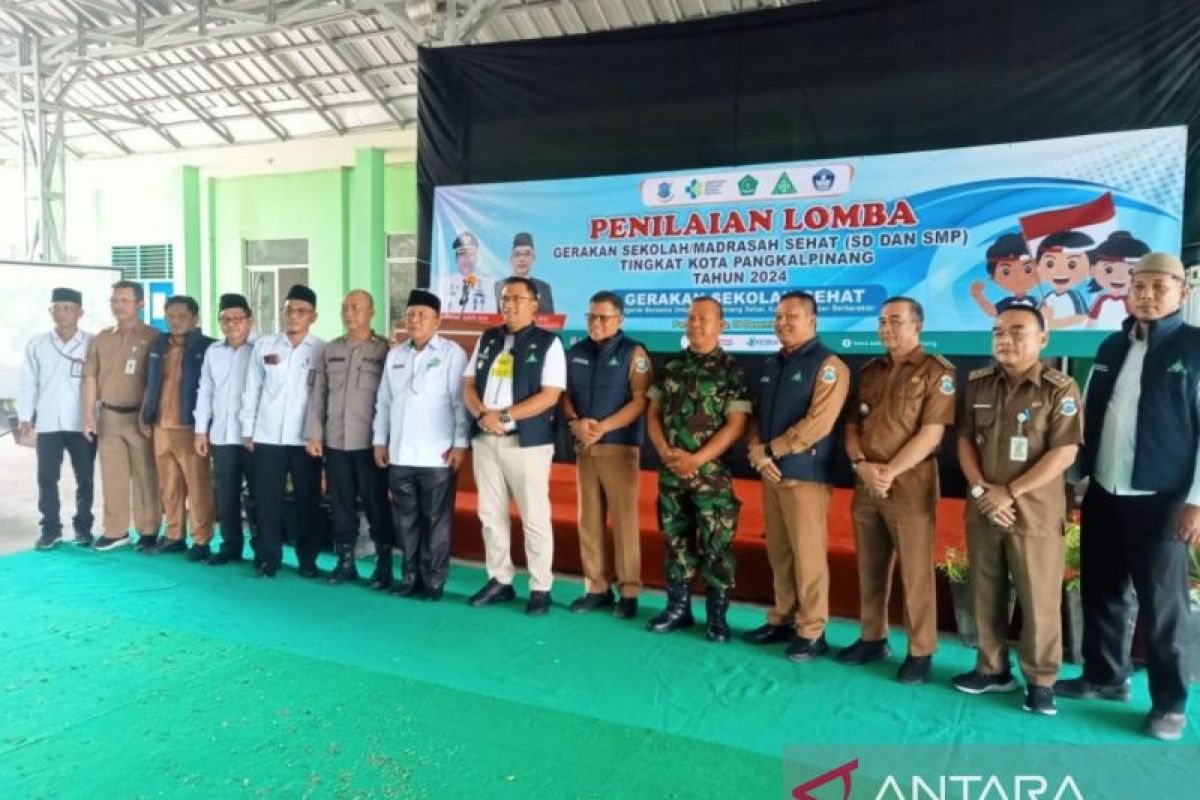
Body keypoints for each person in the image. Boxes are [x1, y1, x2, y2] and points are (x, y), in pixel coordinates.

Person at [1056, 252, 1200, 741]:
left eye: (1160, 286)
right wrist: (1079, 477)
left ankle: (1170, 703)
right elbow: (1093, 414)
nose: (1147, 294)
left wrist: (1196, 500)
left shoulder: (1195, 347)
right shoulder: (1112, 345)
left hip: (1162, 498)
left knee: (1163, 606)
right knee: (1102, 588)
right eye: (1140, 285)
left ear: (1182, 293)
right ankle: (1105, 677)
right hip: (1104, 487)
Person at [953, 300, 1082, 717]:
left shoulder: (1059, 388)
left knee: (1038, 598)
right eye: (998, 332)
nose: (1005, 339)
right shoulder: (978, 383)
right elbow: (964, 441)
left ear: (1042, 339)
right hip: (985, 507)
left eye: (1017, 331)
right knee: (986, 591)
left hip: (1034, 513)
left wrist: (1009, 492)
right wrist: (981, 491)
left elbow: (1063, 453)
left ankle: (1041, 681)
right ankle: (991, 669)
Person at [835, 297, 956, 683]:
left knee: (916, 572)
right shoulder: (870, 370)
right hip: (866, 481)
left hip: (911, 483)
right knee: (869, 565)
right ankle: (873, 636)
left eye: (896, 321)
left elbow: (932, 432)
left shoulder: (938, 371)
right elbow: (852, 425)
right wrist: (861, 466)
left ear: (917, 325)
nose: (887, 328)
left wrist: (889, 471)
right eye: (883, 321)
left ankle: (920, 650)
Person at [743, 292, 850, 660]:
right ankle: (783, 617)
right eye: (778, 317)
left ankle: (812, 630)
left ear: (812, 320)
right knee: (780, 551)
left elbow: (819, 423)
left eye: (791, 316)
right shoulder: (772, 364)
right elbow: (755, 414)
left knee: (808, 556)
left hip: (805, 475)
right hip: (770, 473)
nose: (783, 323)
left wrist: (772, 450)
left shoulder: (828, 365)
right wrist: (757, 450)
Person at [645, 297, 750, 642]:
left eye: (705, 319)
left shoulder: (732, 370)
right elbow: (653, 414)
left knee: (715, 544)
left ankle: (716, 617)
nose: (696, 325)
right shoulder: (671, 365)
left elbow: (736, 424)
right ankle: (678, 608)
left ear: (721, 325)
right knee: (675, 539)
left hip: (711, 475)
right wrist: (664, 451)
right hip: (672, 470)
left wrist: (697, 459)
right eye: (691, 318)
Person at [462, 276, 566, 615]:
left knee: (534, 516)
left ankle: (540, 587)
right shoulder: (489, 338)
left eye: (517, 298)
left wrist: (504, 417)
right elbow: (467, 384)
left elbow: (549, 396)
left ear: (534, 304)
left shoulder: (549, 343)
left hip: (526, 443)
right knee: (490, 514)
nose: (509, 304)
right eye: (505, 298)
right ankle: (500, 579)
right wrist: (482, 415)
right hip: (485, 438)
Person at [373, 289, 470, 601]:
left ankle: (433, 580)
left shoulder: (452, 353)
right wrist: (379, 440)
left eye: (422, 315)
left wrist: (459, 443)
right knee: (405, 521)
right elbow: (384, 403)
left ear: (437, 321)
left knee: (435, 522)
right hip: (400, 452)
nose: (414, 320)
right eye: (411, 314)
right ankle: (410, 576)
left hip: (437, 454)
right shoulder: (395, 355)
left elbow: (460, 403)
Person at [563, 291, 651, 618]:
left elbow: (640, 400)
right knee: (589, 520)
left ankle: (628, 592)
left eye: (603, 318)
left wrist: (603, 427)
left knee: (624, 522)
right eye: (591, 317)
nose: (596, 323)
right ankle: (596, 587)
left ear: (619, 320)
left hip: (619, 447)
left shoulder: (633, 352)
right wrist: (575, 423)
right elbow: (565, 395)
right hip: (585, 447)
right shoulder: (575, 352)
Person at [305, 290, 393, 587]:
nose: (349, 313)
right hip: (336, 441)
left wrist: (387, 439)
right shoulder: (330, 350)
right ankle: (345, 562)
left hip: (369, 443)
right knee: (340, 505)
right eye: (345, 307)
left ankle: (383, 565)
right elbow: (318, 396)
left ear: (372, 312)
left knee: (376, 505)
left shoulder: (385, 351)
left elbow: (391, 399)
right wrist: (315, 434)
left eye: (356, 307)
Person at [241, 284, 326, 578]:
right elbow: (251, 390)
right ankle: (269, 558)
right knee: (266, 501)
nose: (294, 316)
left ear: (313, 316)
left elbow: (324, 397)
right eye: (289, 310)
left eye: (301, 311)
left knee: (308, 502)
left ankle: (307, 560)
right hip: (267, 437)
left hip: (305, 440)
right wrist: (247, 430)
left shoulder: (321, 350)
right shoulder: (266, 346)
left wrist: (320, 436)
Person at [82, 281, 161, 551]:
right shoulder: (101, 338)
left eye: (125, 300)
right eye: (114, 300)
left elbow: (156, 380)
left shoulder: (152, 337)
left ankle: (149, 530)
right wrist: (88, 416)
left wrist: (149, 415)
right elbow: (90, 377)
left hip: (139, 418)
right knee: (112, 475)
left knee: (146, 475)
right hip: (109, 417)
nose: (119, 306)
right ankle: (115, 530)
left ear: (140, 304)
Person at [17, 287, 96, 550]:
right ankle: (50, 529)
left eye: (68, 308)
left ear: (80, 312)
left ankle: (83, 528)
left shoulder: (93, 343)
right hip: (49, 422)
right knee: (47, 478)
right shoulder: (37, 344)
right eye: (57, 308)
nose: (62, 313)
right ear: (51, 311)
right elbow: (28, 383)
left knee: (85, 478)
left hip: (82, 423)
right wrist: (26, 416)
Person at [141, 295, 216, 559]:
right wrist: (146, 416)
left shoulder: (208, 347)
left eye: (182, 316)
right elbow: (150, 383)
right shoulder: (158, 344)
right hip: (161, 425)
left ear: (195, 318)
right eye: (170, 316)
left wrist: (205, 428)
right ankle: (174, 535)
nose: (175, 322)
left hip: (190, 427)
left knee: (198, 486)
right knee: (169, 486)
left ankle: (201, 539)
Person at [195, 293, 257, 566]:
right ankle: (231, 546)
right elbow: (205, 391)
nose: (232, 324)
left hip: (254, 436)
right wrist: (201, 431)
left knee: (257, 495)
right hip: (222, 435)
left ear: (249, 321)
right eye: (225, 319)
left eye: (237, 318)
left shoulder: (261, 349)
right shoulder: (214, 352)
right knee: (226, 494)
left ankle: (262, 549)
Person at [970, 233, 1037, 318]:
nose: (1018, 277)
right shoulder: (1006, 303)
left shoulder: (1036, 300)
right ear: (993, 277)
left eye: (1028, 269)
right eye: (1006, 272)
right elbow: (993, 312)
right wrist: (979, 296)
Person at [439, 231, 497, 315]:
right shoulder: (446, 282)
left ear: (476, 258)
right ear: (456, 258)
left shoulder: (487, 283)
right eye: (463, 254)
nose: (467, 259)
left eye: (471, 254)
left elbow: (492, 312)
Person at [495, 232, 554, 313]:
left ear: (533, 258)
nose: (522, 259)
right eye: (517, 254)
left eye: (527, 254)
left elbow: (551, 323)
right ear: (511, 259)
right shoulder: (497, 288)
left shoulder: (544, 289)